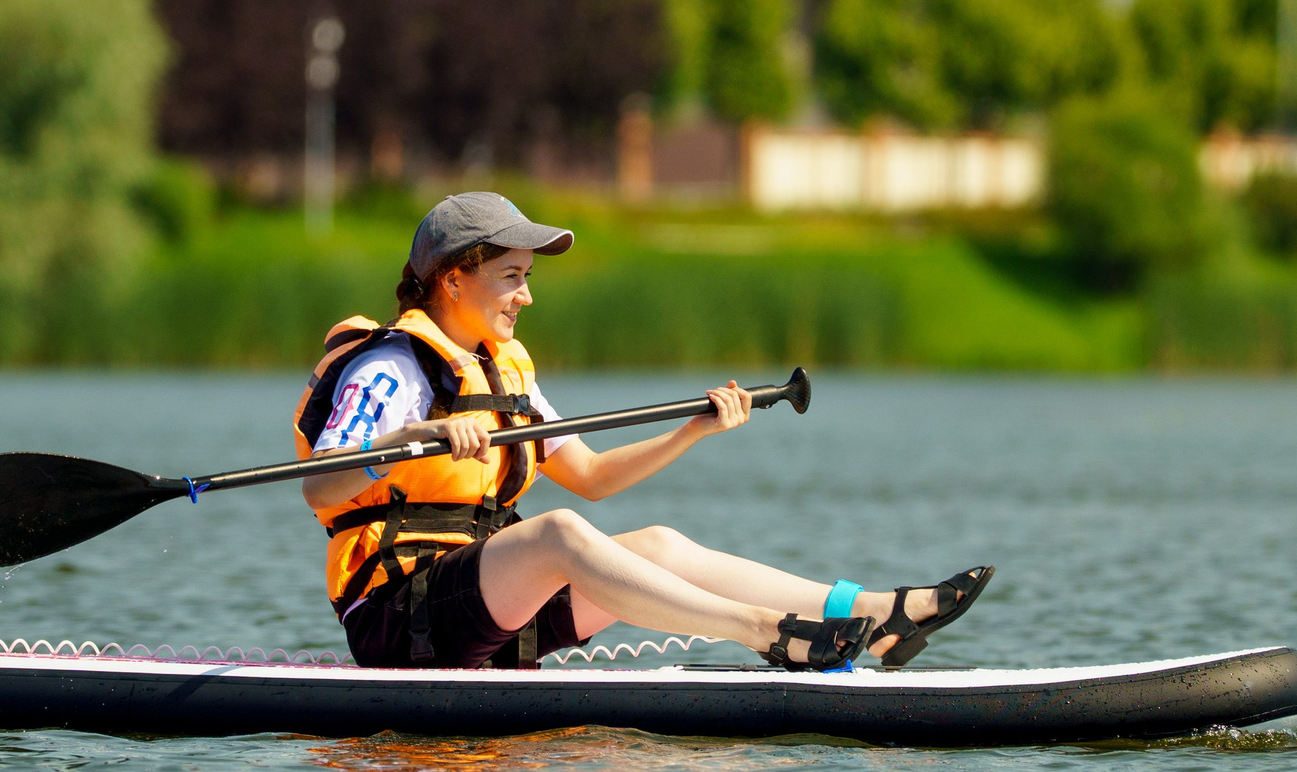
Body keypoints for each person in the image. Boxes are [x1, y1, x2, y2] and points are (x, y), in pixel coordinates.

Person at [297, 192, 992, 672]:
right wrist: (406, 441)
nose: (527, 295)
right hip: (401, 618)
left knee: (657, 543)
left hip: (482, 615)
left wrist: (692, 430)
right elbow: (320, 489)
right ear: (453, 279)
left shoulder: (502, 369)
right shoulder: (392, 369)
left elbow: (593, 477)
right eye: (511, 276)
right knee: (558, 533)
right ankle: (765, 632)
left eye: (528, 276)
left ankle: (873, 613)